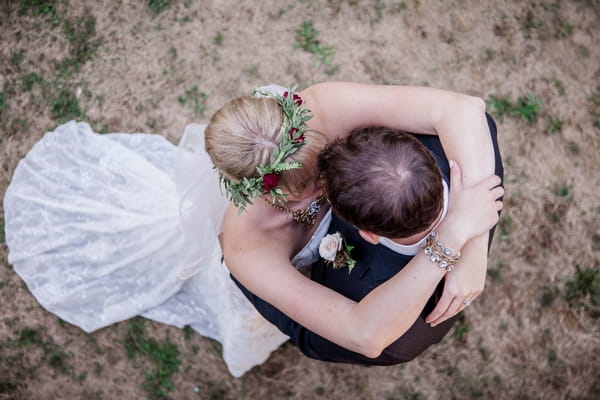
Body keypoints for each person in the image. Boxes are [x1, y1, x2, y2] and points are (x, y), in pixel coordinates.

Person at [3, 82, 501, 377]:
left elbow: (460, 109)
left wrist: (474, 246)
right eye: (316, 187)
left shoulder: (318, 110)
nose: (331, 182)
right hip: (328, 307)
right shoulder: (248, 243)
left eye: (326, 162)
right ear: (265, 193)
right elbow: (364, 333)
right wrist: (450, 239)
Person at [234, 124, 504, 364]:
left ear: (368, 235)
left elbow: (358, 336)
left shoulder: (365, 304)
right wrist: (472, 247)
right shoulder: (464, 148)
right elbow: (477, 117)